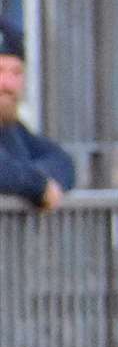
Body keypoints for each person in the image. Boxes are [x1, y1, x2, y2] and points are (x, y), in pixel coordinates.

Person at [0, 19, 74, 211]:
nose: (8, 85)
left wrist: (41, 182)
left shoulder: (10, 128)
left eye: (16, 72)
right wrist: (38, 185)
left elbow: (62, 161)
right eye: (0, 70)